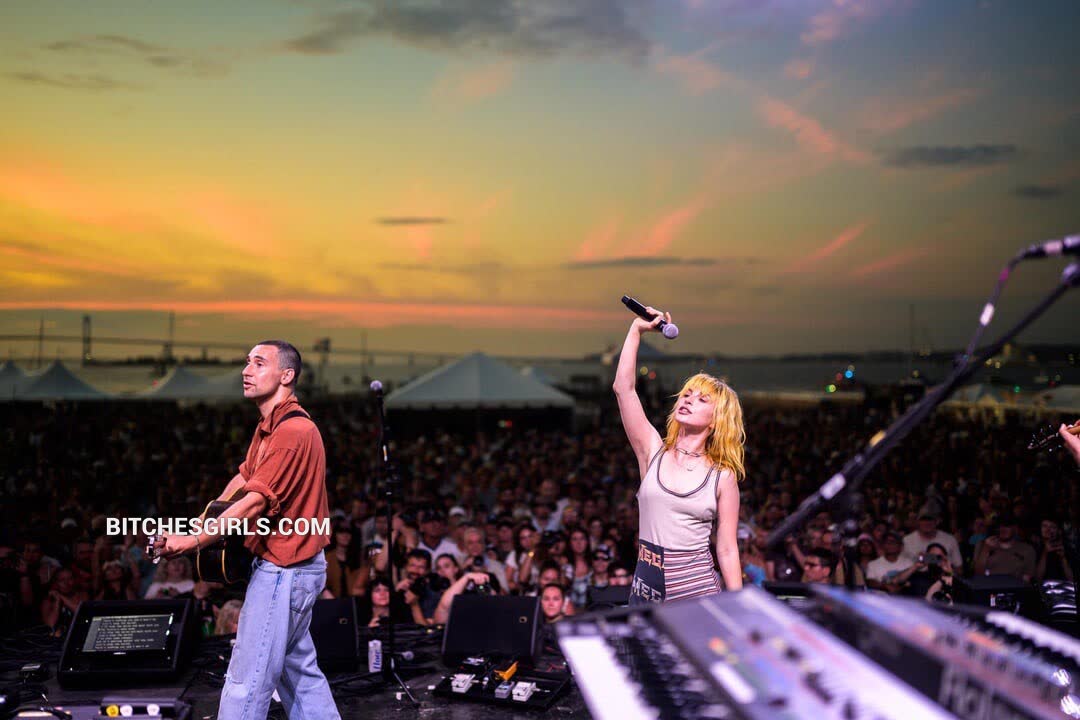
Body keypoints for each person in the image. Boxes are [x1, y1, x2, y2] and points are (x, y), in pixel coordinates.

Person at [156, 340, 339, 720]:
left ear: (286, 375)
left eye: (259, 363)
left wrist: (193, 541)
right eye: (247, 362)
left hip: (284, 569)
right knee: (298, 673)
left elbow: (255, 500)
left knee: (248, 677)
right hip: (295, 568)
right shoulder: (272, 426)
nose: (246, 370)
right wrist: (204, 519)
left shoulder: (292, 432)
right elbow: (245, 478)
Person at [614, 306, 744, 604]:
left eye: (702, 399)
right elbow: (623, 389)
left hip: (697, 596)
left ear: (717, 420)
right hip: (646, 594)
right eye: (686, 394)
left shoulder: (722, 476)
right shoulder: (652, 451)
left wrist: (738, 605)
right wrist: (636, 330)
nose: (688, 400)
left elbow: (727, 549)